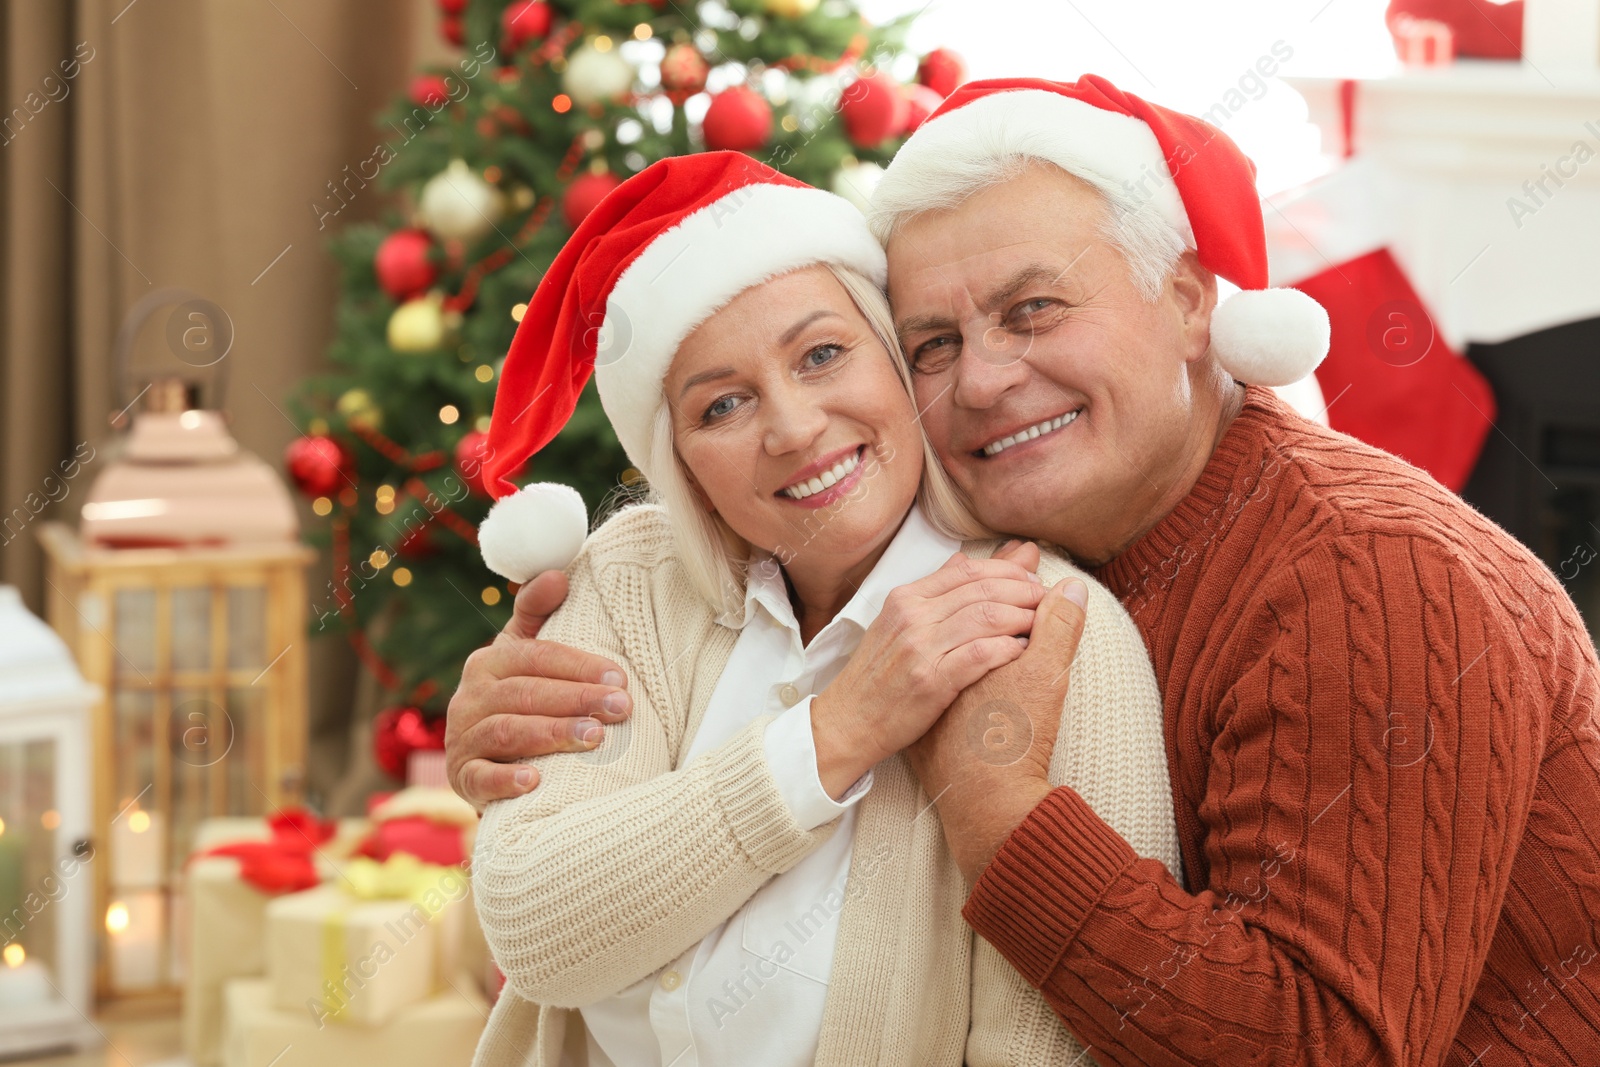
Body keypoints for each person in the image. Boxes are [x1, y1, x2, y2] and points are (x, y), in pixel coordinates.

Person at [450, 76, 1600, 1064]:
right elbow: (538, 918)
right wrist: (515, 738)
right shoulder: (1043, 533)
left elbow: (1318, 1047)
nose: (987, 381)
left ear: (1192, 303)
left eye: (1034, 310)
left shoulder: (1369, 576)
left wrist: (995, 805)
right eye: (936, 344)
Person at [463, 150, 1182, 1067]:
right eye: (721, 405)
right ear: (679, 461)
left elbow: (1052, 1049)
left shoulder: (1049, 630)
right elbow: (536, 927)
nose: (794, 427)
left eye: (823, 354)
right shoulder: (632, 578)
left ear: (896, 359)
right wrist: (836, 731)